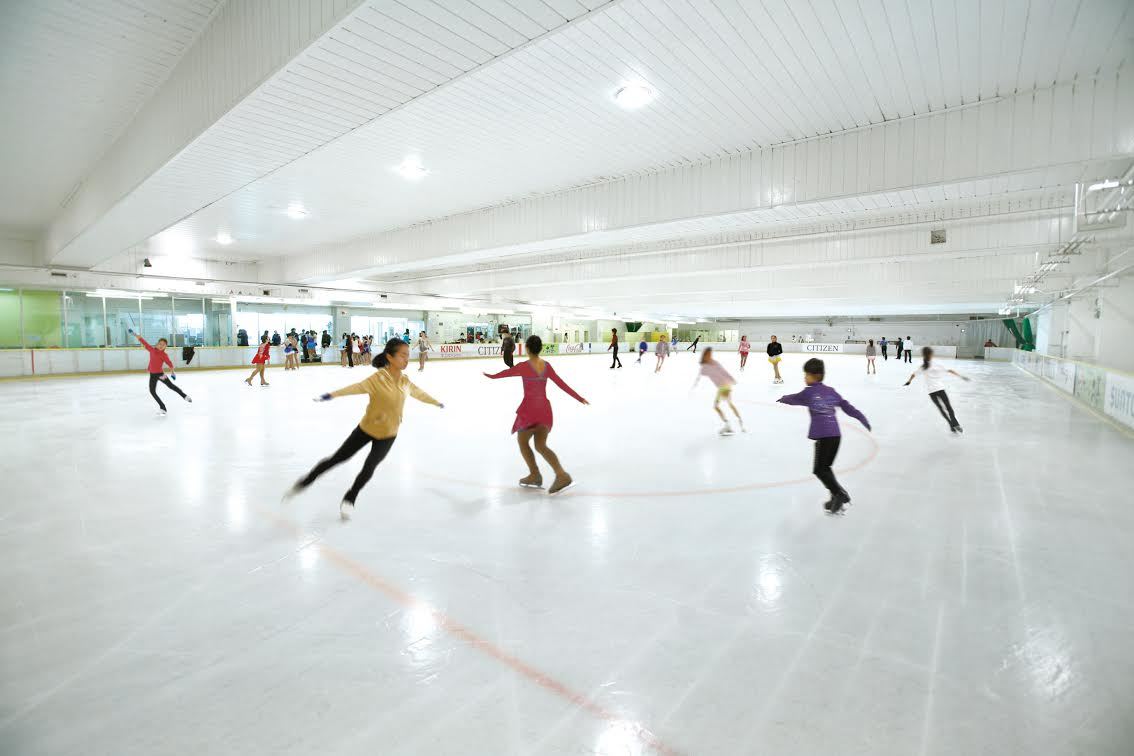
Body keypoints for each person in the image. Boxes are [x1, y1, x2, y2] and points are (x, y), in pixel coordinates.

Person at [288, 338, 444, 518]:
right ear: (390, 357)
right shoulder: (377, 379)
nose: (407, 359)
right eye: (402, 355)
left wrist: (435, 402)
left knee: (369, 467)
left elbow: (419, 393)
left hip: (389, 433)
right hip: (366, 429)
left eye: (408, 355)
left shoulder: (405, 381)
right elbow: (355, 388)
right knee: (339, 458)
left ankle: (350, 497)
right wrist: (331, 395)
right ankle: (307, 480)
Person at [483, 335, 588, 494]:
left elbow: (506, 373)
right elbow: (561, 384)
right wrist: (579, 398)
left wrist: (491, 376)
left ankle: (534, 474)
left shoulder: (524, 366)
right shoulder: (547, 366)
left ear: (527, 348)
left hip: (530, 409)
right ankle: (561, 474)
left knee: (523, 440)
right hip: (544, 409)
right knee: (540, 445)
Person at [777, 358, 871, 514]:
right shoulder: (831, 391)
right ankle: (836, 498)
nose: (805, 378)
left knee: (819, 470)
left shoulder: (808, 392)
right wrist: (862, 418)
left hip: (824, 437)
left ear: (815, 375)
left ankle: (840, 494)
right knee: (825, 469)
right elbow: (847, 407)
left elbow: (794, 399)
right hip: (835, 436)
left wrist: (783, 398)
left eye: (806, 375)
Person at [904, 347, 970, 433]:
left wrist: (909, 381)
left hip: (931, 391)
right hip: (940, 389)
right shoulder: (936, 364)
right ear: (931, 354)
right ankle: (955, 423)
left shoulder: (923, 366)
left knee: (941, 408)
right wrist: (961, 376)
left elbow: (913, 374)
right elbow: (949, 370)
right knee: (948, 407)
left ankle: (951, 424)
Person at [132, 331, 190, 415]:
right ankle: (163, 408)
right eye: (160, 343)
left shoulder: (164, 355)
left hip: (160, 374)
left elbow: (170, 363)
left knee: (171, 386)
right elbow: (143, 341)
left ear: (165, 347)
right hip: (152, 375)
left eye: (163, 345)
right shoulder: (151, 350)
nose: (161, 345)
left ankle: (184, 396)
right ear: (157, 344)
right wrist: (135, 335)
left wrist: (172, 372)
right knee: (152, 391)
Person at [693, 347, 745, 435]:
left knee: (721, 405)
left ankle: (732, 424)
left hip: (725, 386)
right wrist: (695, 384)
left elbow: (724, 371)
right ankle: (733, 423)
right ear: (705, 355)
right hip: (721, 387)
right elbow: (700, 375)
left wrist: (732, 379)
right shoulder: (705, 366)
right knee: (723, 405)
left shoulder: (715, 363)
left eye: (710, 354)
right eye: (708, 354)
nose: (710, 356)